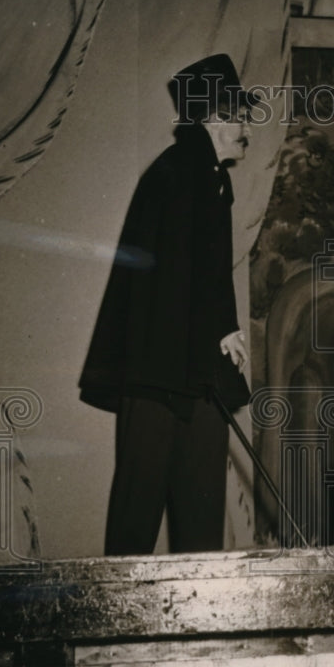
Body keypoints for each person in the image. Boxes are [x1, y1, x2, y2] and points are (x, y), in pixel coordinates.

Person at [80, 53, 255, 555]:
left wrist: (220, 332)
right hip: (165, 375)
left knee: (189, 517)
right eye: (239, 115)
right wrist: (224, 325)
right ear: (215, 117)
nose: (246, 128)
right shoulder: (186, 170)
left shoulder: (201, 171)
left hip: (184, 373)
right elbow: (187, 260)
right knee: (141, 518)